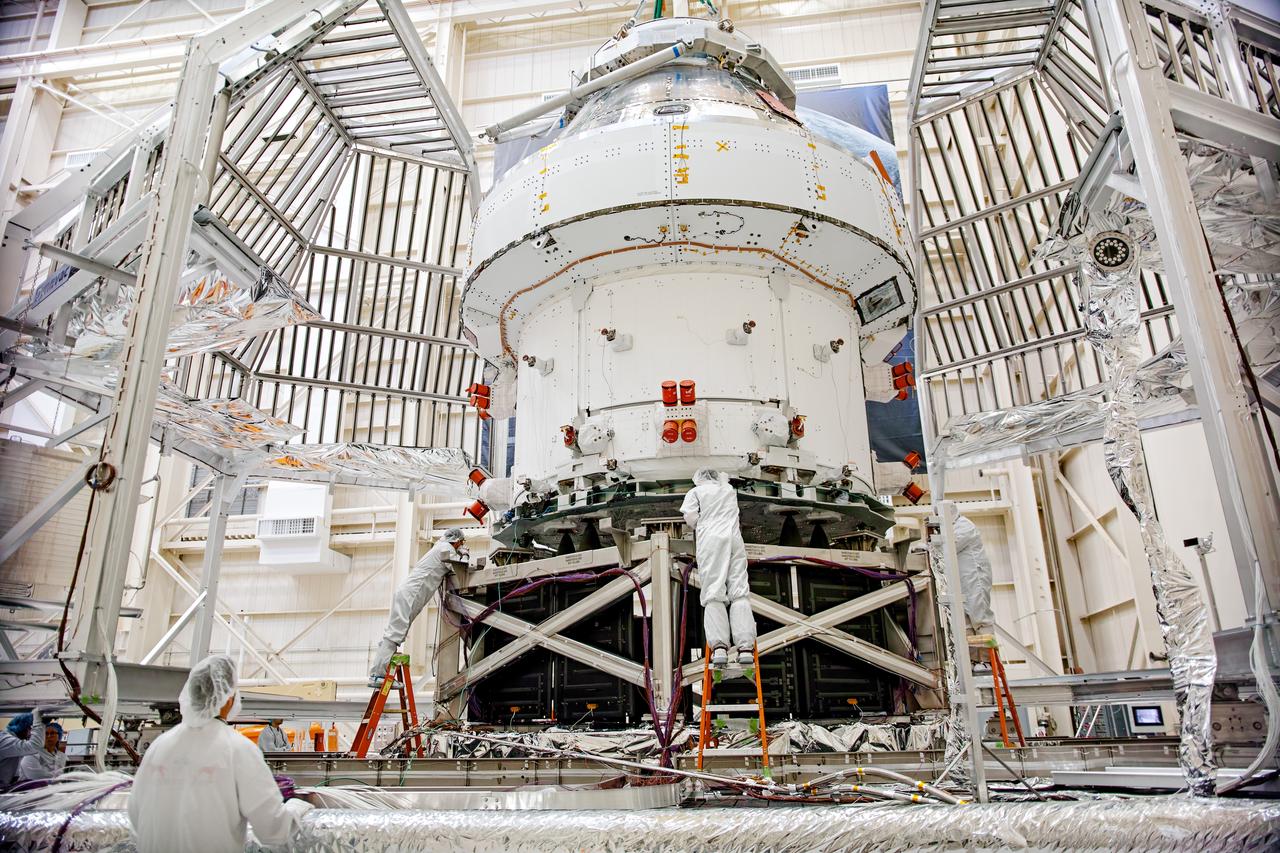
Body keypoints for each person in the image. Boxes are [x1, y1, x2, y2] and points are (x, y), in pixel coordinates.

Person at [128, 654, 312, 853]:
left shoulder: (159, 746)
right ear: (228, 698)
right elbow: (274, 831)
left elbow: (136, 817)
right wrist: (297, 807)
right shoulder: (238, 749)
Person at [368, 528, 467, 687]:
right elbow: (461, 568)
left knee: (395, 633)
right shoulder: (446, 549)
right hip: (411, 594)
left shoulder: (439, 547)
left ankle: (381, 672)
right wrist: (465, 553)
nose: (461, 545)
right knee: (394, 634)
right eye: (461, 543)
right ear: (456, 541)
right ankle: (378, 675)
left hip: (409, 593)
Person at [680, 468, 756, 667]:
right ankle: (746, 648)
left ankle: (720, 648)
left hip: (712, 541)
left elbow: (690, 517)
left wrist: (702, 524)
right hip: (734, 539)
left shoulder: (695, 492)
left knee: (714, 591)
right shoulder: (728, 490)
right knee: (739, 590)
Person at [953, 515, 995, 637]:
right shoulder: (952, 527)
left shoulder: (964, 526)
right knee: (965, 623)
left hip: (975, 578)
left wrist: (928, 547)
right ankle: (972, 656)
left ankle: (987, 656)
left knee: (980, 617)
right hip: (963, 581)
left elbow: (950, 545)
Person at [0, 710, 45, 786]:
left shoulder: (13, 740)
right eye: (31, 729)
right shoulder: (4, 740)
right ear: (26, 728)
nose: (31, 734)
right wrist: (38, 720)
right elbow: (35, 746)